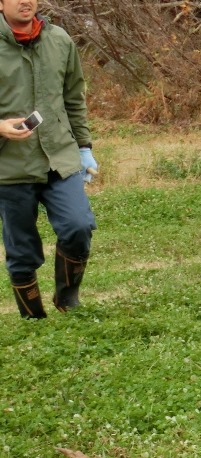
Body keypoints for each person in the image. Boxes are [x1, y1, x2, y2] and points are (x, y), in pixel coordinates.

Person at [0, 0, 98, 320]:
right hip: (10, 165)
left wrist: (84, 147)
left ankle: (67, 299)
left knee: (78, 225)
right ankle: (33, 318)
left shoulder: (60, 40)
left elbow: (73, 98)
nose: (25, 1)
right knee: (21, 249)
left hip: (60, 157)